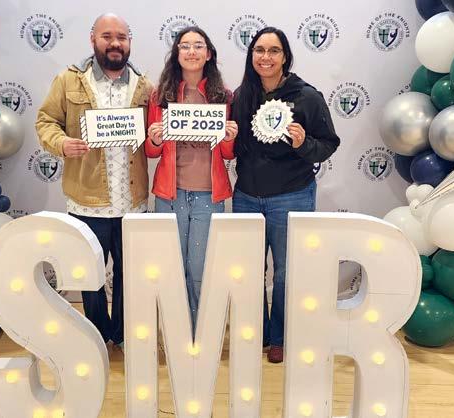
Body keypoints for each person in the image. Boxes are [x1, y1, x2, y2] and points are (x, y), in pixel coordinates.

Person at [35, 13, 152, 349]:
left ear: (129, 42)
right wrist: (61, 143)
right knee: (90, 275)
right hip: (87, 202)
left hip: (133, 203)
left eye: (121, 37)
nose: (115, 43)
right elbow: (45, 121)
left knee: (132, 275)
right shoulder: (69, 81)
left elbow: (156, 133)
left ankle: (125, 334)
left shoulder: (145, 86)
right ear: (93, 40)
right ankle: (98, 335)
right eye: (107, 36)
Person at [231, 27, 340, 363]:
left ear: (285, 56)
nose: (265, 57)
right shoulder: (242, 95)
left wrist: (303, 143)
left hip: (292, 195)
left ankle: (279, 337)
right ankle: (257, 333)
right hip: (246, 196)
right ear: (251, 55)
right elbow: (233, 147)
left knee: (286, 273)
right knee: (248, 271)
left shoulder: (307, 96)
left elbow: (328, 144)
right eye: (259, 50)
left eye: (274, 50)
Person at [145, 27, 238, 331]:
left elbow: (227, 154)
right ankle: (175, 330)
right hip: (169, 194)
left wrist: (229, 137)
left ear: (208, 54)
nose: (192, 51)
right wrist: (155, 138)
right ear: (177, 53)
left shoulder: (223, 96)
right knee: (171, 267)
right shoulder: (160, 96)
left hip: (208, 194)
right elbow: (151, 151)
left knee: (200, 268)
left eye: (198, 46)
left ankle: (199, 331)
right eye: (185, 46)